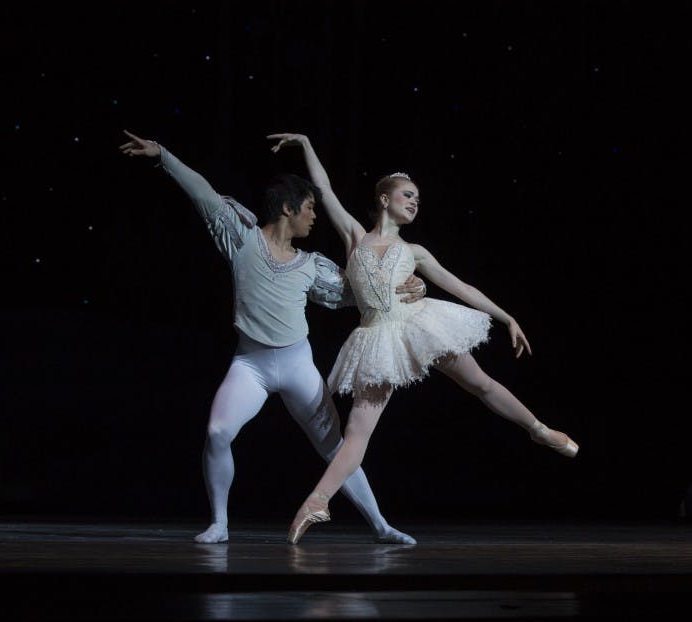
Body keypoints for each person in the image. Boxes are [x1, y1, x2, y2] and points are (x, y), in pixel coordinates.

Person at [266, 133, 580, 545]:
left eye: (417, 198)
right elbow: (324, 190)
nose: (414, 202)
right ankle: (316, 502)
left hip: (419, 324)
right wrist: (306, 144)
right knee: (358, 430)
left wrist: (507, 318)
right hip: (377, 338)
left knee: (480, 383)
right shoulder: (356, 238)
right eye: (407, 195)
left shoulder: (414, 251)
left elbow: (461, 287)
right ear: (384, 198)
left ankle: (538, 429)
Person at [119, 130, 426, 544]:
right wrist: (164, 155)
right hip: (251, 365)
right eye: (310, 209)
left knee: (336, 447)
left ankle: (380, 525)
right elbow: (204, 194)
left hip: (297, 365)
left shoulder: (310, 265)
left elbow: (362, 293)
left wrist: (411, 287)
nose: (315, 217)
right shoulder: (241, 239)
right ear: (287, 208)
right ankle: (220, 523)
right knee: (217, 432)